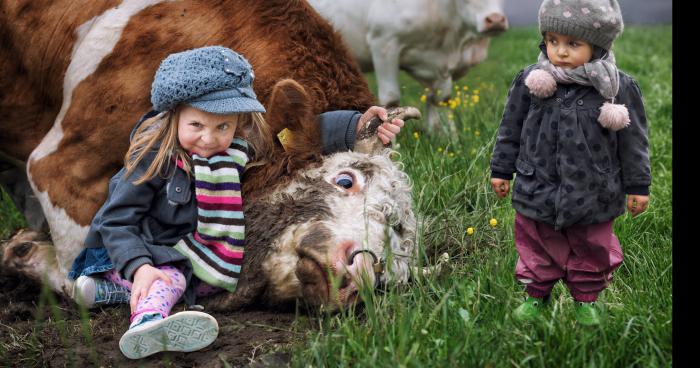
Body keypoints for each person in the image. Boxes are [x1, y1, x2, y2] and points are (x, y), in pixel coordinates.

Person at [68, 46, 404, 359]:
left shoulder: (233, 149)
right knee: (173, 280)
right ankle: (147, 325)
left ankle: (106, 292)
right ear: (173, 117)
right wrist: (140, 267)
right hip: (134, 250)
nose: (209, 138)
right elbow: (115, 222)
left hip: (180, 249)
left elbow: (298, 132)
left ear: (239, 123)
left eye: (223, 126)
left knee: (205, 281)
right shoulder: (152, 160)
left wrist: (354, 125)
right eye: (196, 125)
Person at [489, 0, 651, 326]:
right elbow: (510, 128)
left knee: (592, 244)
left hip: (595, 188)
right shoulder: (532, 81)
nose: (560, 52)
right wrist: (501, 169)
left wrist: (638, 185)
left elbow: (634, 143)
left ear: (597, 46)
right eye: (552, 41)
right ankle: (536, 293)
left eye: (572, 44)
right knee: (536, 240)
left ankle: (587, 298)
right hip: (538, 183)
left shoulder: (617, 88)